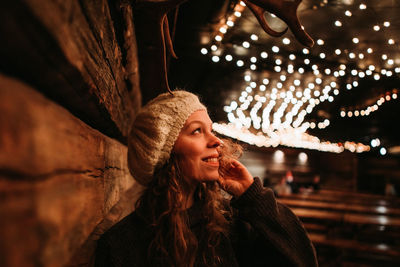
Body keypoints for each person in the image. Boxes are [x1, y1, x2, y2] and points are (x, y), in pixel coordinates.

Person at [94, 90, 318, 267]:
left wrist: (254, 196)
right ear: (163, 152)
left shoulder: (230, 225)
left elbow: (303, 260)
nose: (217, 142)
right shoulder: (121, 245)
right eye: (196, 131)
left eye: (211, 130)